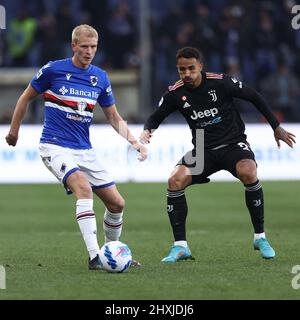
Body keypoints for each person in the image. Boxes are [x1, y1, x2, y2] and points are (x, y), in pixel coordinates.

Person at [5, 24, 147, 270]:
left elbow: (113, 117)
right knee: (83, 187)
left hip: (85, 150)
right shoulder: (53, 70)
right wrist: (14, 131)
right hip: (55, 146)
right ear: (74, 46)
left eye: (93, 47)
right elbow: (25, 97)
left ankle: (110, 253)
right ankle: (95, 258)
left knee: (117, 204)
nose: (89, 51)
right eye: (84, 46)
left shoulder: (100, 77)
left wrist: (135, 142)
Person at [140, 47, 296, 262]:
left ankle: (260, 237)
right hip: (203, 149)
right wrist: (148, 131)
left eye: (191, 68)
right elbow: (155, 117)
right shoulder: (175, 93)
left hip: (233, 142)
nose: (186, 74)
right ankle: (180, 246)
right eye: (181, 70)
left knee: (249, 172)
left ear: (200, 67)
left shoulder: (220, 82)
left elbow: (254, 96)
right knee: (174, 181)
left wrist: (276, 126)